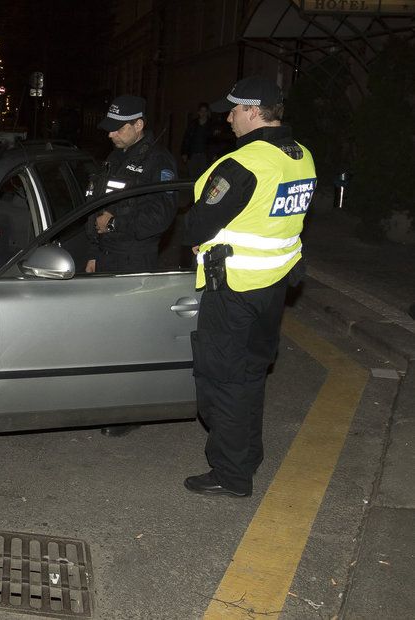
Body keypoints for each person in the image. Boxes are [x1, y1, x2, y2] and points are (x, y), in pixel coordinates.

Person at [182, 76, 316, 497]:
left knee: (223, 383)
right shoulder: (301, 156)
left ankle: (231, 474)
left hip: (234, 290)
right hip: (274, 287)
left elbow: (196, 224)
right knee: (251, 376)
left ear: (254, 112)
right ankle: (246, 456)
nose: (229, 116)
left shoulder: (243, 164)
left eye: (235, 109)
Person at [87, 94, 178, 274]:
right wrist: (93, 253)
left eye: (118, 129)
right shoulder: (114, 157)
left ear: (138, 125)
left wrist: (114, 223)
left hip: (134, 260)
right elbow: (96, 205)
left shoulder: (159, 160)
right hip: (105, 255)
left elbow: (160, 217)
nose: (110, 134)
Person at [180, 102, 212, 178]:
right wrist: (184, 153)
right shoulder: (193, 124)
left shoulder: (211, 125)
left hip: (205, 156)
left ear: (207, 112)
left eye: (205, 111)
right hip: (193, 155)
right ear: (198, 112)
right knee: (192, 176)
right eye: (201, 111)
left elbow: (215, 142)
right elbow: (186, 138)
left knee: (203, 176)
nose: (203, 113)